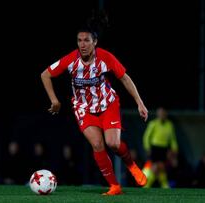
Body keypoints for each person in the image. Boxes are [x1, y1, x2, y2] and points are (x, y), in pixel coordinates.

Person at [40, 14, 148, 195]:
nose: (82, 44)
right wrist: (54, 100)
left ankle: (132, 165)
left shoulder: (105, 58)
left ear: (94, 42)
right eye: (79, 40)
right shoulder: (71, 60)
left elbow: (125, 78)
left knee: (112, 143)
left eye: (86, 40)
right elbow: (45, 74)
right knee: (98, 144)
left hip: (108, 105)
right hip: (83, 108)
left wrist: (140, 102)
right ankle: (115, 186)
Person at [142, 107, 178, 188]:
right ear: (158, 114)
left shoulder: (169, 125)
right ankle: (147, 184)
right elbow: (146, 137)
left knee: (162, 168)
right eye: (160, 113)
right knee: (154, 167)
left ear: (166, 114)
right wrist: (147, 148)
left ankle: (164, 185)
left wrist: (174, 149)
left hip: (164, 149)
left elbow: (173, 139)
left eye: (163, 113)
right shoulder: (153, 123)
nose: (162, 115)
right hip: (154, 148)